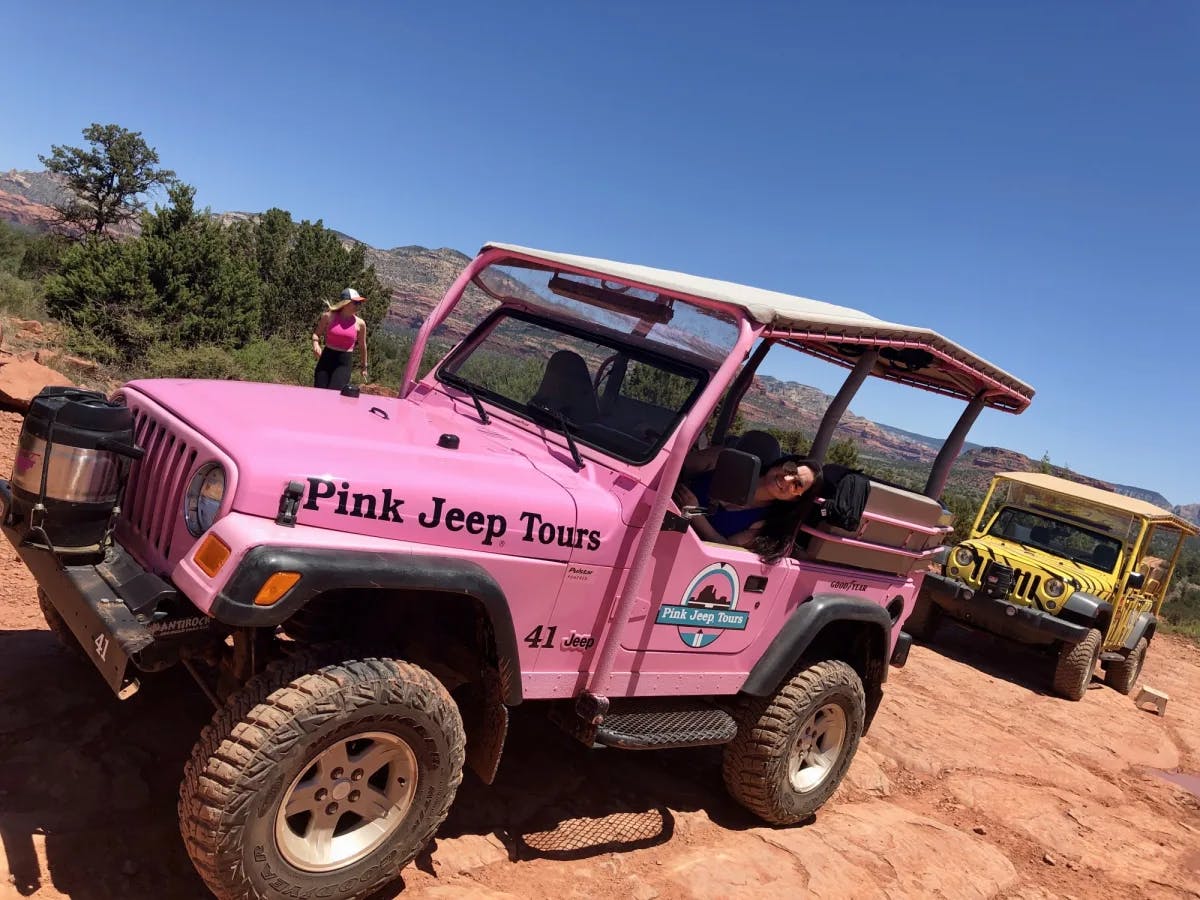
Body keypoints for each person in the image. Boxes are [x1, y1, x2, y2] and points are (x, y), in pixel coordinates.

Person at [672, 453, 823, 563]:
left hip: (682, 556)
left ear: (796, 499)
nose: (787, 478)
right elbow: (672, 465)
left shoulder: (763, 525)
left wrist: (694, 514)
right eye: (790, 469)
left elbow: (723, 548)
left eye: (797, 485)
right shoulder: (722, 460)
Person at [312, 288, 369, 390]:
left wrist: (364, 367)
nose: (358, 306)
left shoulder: (360, 323)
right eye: (355, 302)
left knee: (335, 394)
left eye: (360, 303)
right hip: (326, 359)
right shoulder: (328, 316)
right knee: (319, 393)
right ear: (345, 303)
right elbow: (316, 334)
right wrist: (316, 344)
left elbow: (362, 346)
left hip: (344, 363)